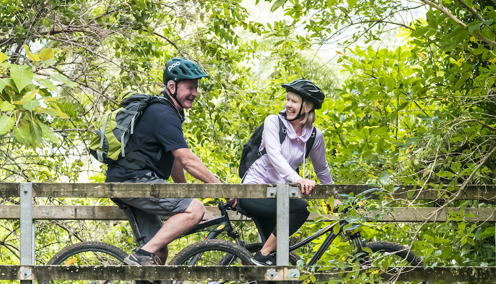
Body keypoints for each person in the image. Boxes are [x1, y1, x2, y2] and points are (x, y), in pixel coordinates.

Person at [106, 57, 226, 270]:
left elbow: (176, 161)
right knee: (195, 210)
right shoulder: (163, 113)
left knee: (159, 249)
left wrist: (182, 190)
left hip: (128, 181)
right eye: (190, 87)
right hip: (134, 181)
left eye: (196, 87)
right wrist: (222, 190)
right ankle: (141, 255)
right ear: (172, 87)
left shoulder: (168, 113)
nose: (195, 93)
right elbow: (188, 160)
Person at [238, 79, 337, 266]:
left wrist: (334, 198)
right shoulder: (273, 122)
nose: (288, 105)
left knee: (274, 262)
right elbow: (274, 155)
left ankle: (260, 274)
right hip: (254, 191)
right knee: (301, 208)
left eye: (294, 101)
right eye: (287, 100)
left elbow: (322, 169)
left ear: (307, 107)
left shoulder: (314, 136)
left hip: (279, 196)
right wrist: (298, 179)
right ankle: (262, 254)